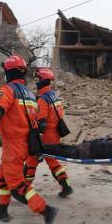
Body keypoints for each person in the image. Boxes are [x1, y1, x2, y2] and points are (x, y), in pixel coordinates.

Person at [0, 55, 58, 224]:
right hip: (24, 144)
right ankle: (2, 211)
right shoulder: (31, 95)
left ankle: (46, 210)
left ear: (9, 72)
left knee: (16, 186)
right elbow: (34, 122)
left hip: (14, 145)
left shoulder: (8, 90)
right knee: (1, 178)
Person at [23, 68, 73, 197]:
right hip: (55, 134)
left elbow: (42, 123)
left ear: (42, 80)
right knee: (53, 161)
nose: (36, 81)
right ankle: (65, 185)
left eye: (38, 79)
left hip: (46, 135)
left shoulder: (42, 99)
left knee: (31, 160)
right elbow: (59, 115)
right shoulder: (55, 96)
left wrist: (34, 135)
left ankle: (24, 187)